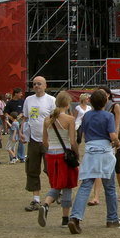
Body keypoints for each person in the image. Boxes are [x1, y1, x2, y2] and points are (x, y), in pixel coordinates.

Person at [68, 89, 120, 234]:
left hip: (91, 150)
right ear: (105, 102)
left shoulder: (86, 116)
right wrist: (117, 143)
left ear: (91, 102)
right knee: (110, 187)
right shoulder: (107, 116)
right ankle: (112, 218)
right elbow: (112, 135)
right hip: (105, 152)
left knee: (86, 185)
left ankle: (75, 217)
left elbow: (83, 131)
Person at [37, 91, 79, 228]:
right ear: (67, 104)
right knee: (66, 185)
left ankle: (53, 210)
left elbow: (44, 141)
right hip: (64, 155)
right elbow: (72, 141)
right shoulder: (69, 119)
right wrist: (76, 154)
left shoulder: (47, 119)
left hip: (51, 154)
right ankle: (55, 210)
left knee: (57, 183)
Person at [22, 76, 56, 211]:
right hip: (33, 140)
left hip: (49, 141)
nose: (37, 86)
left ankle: (55, 192)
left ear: (45, 85)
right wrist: (22, 131)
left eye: (39, 84)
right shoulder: (28, 100)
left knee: (50, 169)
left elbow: (56, 120)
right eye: (34, 84)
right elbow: (25, 118)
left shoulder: (51, 100)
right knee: (32, 168)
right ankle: (36, 199)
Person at [88, 86, 120, 205]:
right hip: (102, 141)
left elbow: (117, 124)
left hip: (114, 140)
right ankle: (96, 197)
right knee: (99, 169)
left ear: (108, 95)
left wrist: (115, 139)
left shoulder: (115, 106)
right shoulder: (96, 109)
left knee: (117, 168)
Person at [4, 88, 26, 162]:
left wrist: (21, 114)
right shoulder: (9, 103)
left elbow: (25, 110)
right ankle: (12, 157)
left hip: (21, 123)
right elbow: (6, 112)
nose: (21, 95)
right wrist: (12, 118)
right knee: (12, 140)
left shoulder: (22, 101)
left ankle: (21, 157)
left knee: (21, 140)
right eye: (20, 93)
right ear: (16, 93)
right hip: (12, 124)